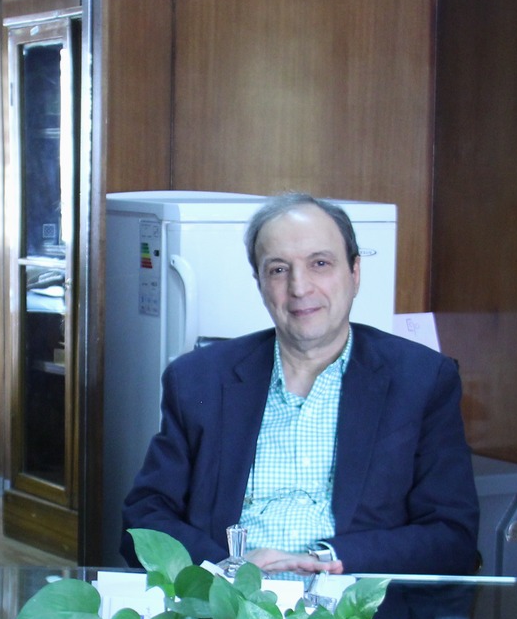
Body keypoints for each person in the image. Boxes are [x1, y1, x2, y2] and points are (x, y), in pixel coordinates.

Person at [122, 191, 480, 575]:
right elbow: (143, 520)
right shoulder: (199, 380)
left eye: (320, 264)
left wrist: (328, 560)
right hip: (230, 602)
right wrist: (224, 569)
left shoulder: (421, 380)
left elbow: (451, 537)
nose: (299, 288)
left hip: (354, 602)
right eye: (278, 270)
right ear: (260, 283)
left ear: (355, 273)